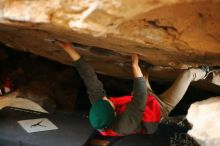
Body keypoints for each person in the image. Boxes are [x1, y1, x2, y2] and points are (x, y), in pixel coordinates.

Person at [56, 41, 219, 136]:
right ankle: (210, 73)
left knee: (144, 71)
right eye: (109, 103)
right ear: (113, 114)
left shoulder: (100, 107)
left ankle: (144, 72)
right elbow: (139, 99)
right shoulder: (123, 127)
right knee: (188, 74)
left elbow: (89, 78)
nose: (106, 98)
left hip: (145, 98)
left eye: (104, 100)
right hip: (160, 109)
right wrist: (134, 64)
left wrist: (69, 50)